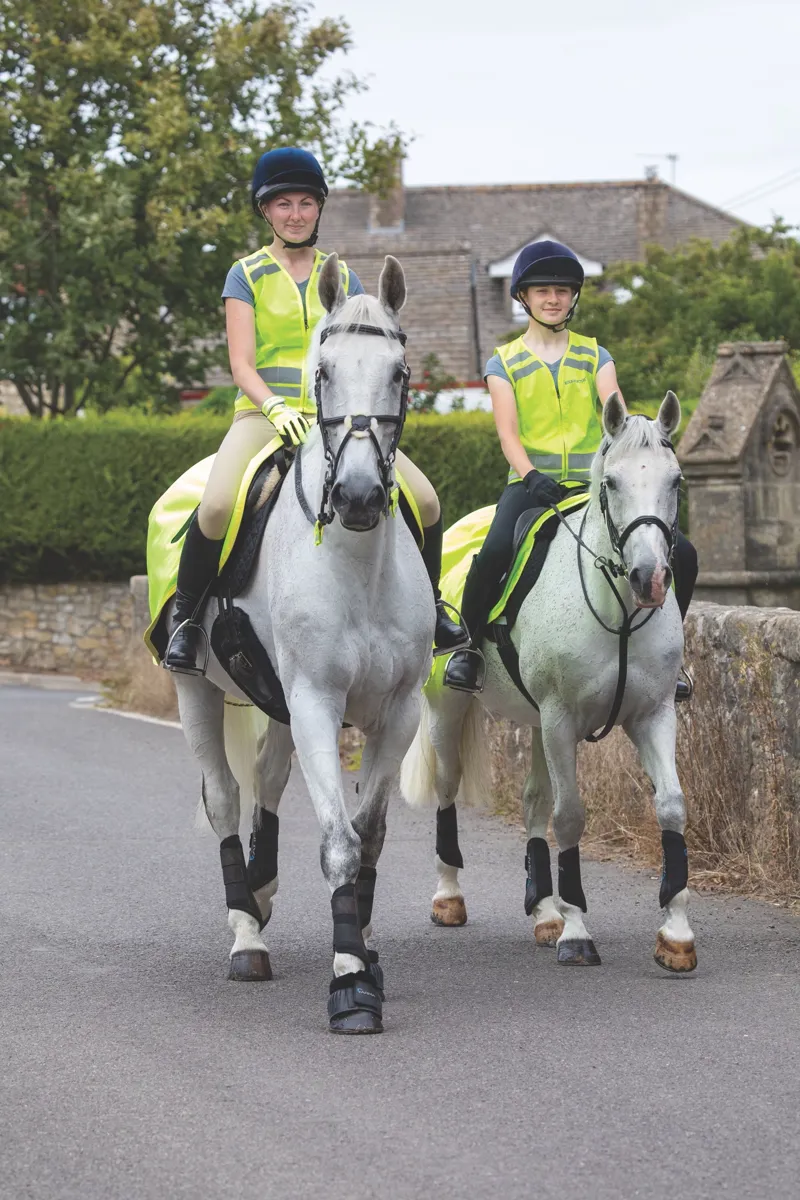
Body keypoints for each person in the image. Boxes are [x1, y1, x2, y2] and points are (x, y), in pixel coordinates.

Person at [165, 146, 467, 671]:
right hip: (262, 418)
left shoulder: (345, 278)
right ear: (266, 210)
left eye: (306, 203)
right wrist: (274, 407)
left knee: (427, 500)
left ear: (319, 208)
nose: (296, 214)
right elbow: (241, 364)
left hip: (340, 424)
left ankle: (434, 607)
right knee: (215, 506)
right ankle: (187, 621)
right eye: (284, 204)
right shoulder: (246, 274)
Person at [444, 239, 697, 696]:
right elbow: (508, 435)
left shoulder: (595, 356)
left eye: (562, 290)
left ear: (573, 297)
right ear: (523, 297)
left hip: (591, 486)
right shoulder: (503, 362)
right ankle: (468, 649)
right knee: (495, 552)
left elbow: (616, 413)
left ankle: (671, 661)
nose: (553, 298)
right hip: (531, 485)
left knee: (686, 553)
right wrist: (530, 476)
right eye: (542, 290)